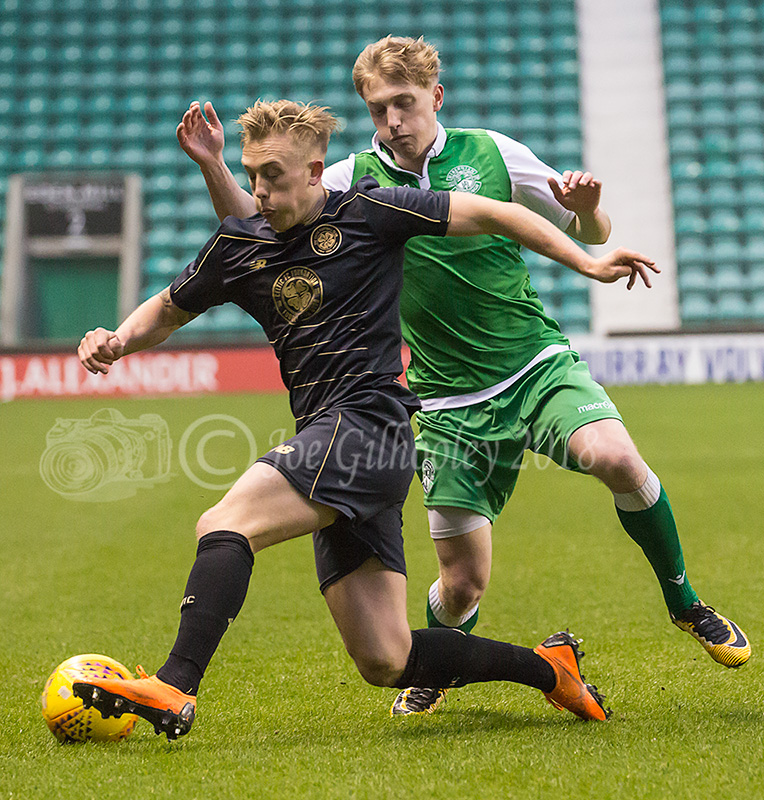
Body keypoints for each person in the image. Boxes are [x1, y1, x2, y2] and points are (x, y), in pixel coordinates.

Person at [177, 37, 751, 716]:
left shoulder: (493, 154)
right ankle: (440, 669)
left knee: (615, 458)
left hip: (533, 364)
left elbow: (591, 230)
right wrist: (215, 165)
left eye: (404, 103)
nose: (393, 120)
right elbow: (258, 226)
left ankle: (686, 603)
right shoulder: (350, 179)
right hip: (446, 400)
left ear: (436, 97)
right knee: (460, 585)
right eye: (378, 108)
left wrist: (587, 209)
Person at [70, 100, 657, 738]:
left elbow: (497, 212)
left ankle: (174, 683)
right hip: (332, 440)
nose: (261, 190)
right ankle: (549, 670)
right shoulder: (240, 246)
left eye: (274, 176)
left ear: (314, 170)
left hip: (367, 425)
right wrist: (117, 339)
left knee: (224, 523)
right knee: (387, 657)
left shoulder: (370, 212)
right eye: (253, 175)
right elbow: (167, 307)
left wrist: (587, 262)